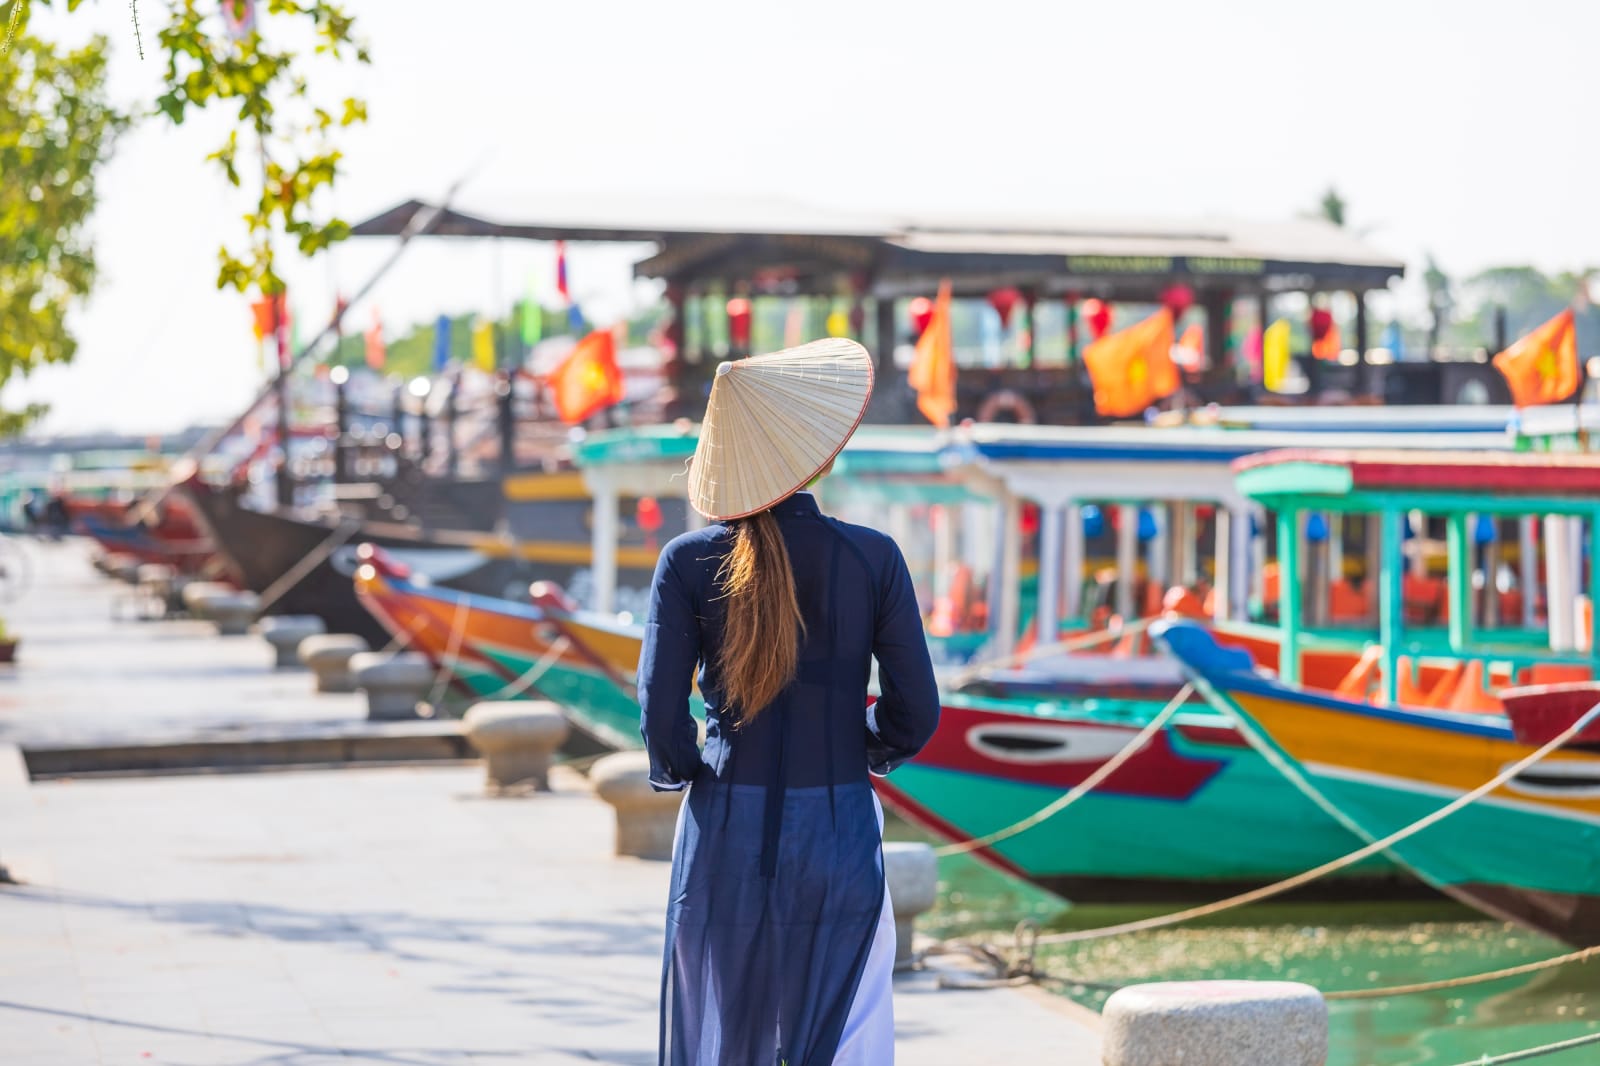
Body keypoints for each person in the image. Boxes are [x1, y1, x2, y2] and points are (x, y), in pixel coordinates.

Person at [639, 338, 941, 1065]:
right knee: (847, 1033)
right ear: (816, 455)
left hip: (724, 823)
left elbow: (660, 714)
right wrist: (862, 744)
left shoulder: (687, 561)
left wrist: (688, 770)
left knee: (724, 1029)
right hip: (838, 821)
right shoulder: (873, 556)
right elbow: (916, 711)